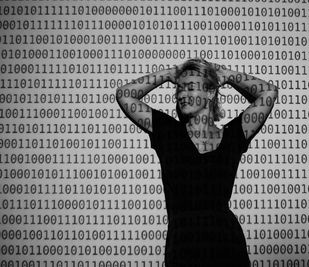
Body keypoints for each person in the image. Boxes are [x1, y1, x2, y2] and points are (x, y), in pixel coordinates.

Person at [116, 58, 278, 266]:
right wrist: (168, 74)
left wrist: (227, 74)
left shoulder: (234, 135)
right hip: (183, 248)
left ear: (210, 93)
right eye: (179, 89)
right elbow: (125, 95)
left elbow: (269, 93)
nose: (182, 94)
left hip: (228, 246)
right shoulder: (168, 132)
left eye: (190, 87)